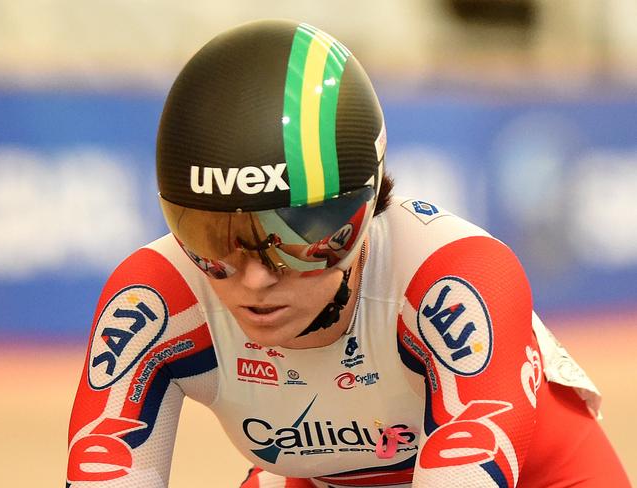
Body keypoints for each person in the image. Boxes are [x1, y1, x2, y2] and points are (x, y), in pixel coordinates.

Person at [66, 19, 630, 488]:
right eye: (214, 243)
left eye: (297, 238)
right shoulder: (154, 295)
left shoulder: (455, 278)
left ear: (366, 211)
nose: (256, 278)